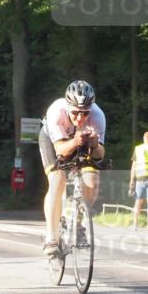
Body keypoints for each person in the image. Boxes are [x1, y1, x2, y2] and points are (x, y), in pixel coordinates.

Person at [39, 80, 106, 255]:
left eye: (85, 113)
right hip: (55, 141)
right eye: (75, 112)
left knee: (92, 180)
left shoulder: (98, 116)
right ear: (68, 107)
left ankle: (78, 222)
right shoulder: (56, 112)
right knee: (57, 179)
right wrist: (75, 141)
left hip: (81, 142)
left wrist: (95, 145)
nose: (80, 118)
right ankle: (51, 238)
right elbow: (60, 149)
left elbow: (100, 155)